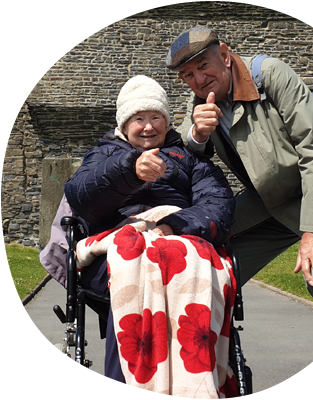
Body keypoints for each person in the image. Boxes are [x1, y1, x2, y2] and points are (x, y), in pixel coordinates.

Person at [166, 26, 313, 399]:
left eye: (203, 66)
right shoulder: (201, 108)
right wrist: (197, 136)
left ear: (224, 54)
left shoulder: (269, 75)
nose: (197, 80)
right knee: (203, 264)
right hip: (273, 202)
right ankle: (210, 384)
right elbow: (184, 159)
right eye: (187, 76)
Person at [63, 75, 236, 398]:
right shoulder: (104, 154)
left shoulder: (190, 158)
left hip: (180, 244)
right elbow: (80, 195)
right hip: (117, 248)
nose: (147, 127)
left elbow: (218, 204)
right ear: (124, 123)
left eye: (155, 117)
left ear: (167, 121)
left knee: (188, 258)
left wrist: (175, 225)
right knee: (131, 260)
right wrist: (130, 170)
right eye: (138, 119)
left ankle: (194, 389)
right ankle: (120, 391)